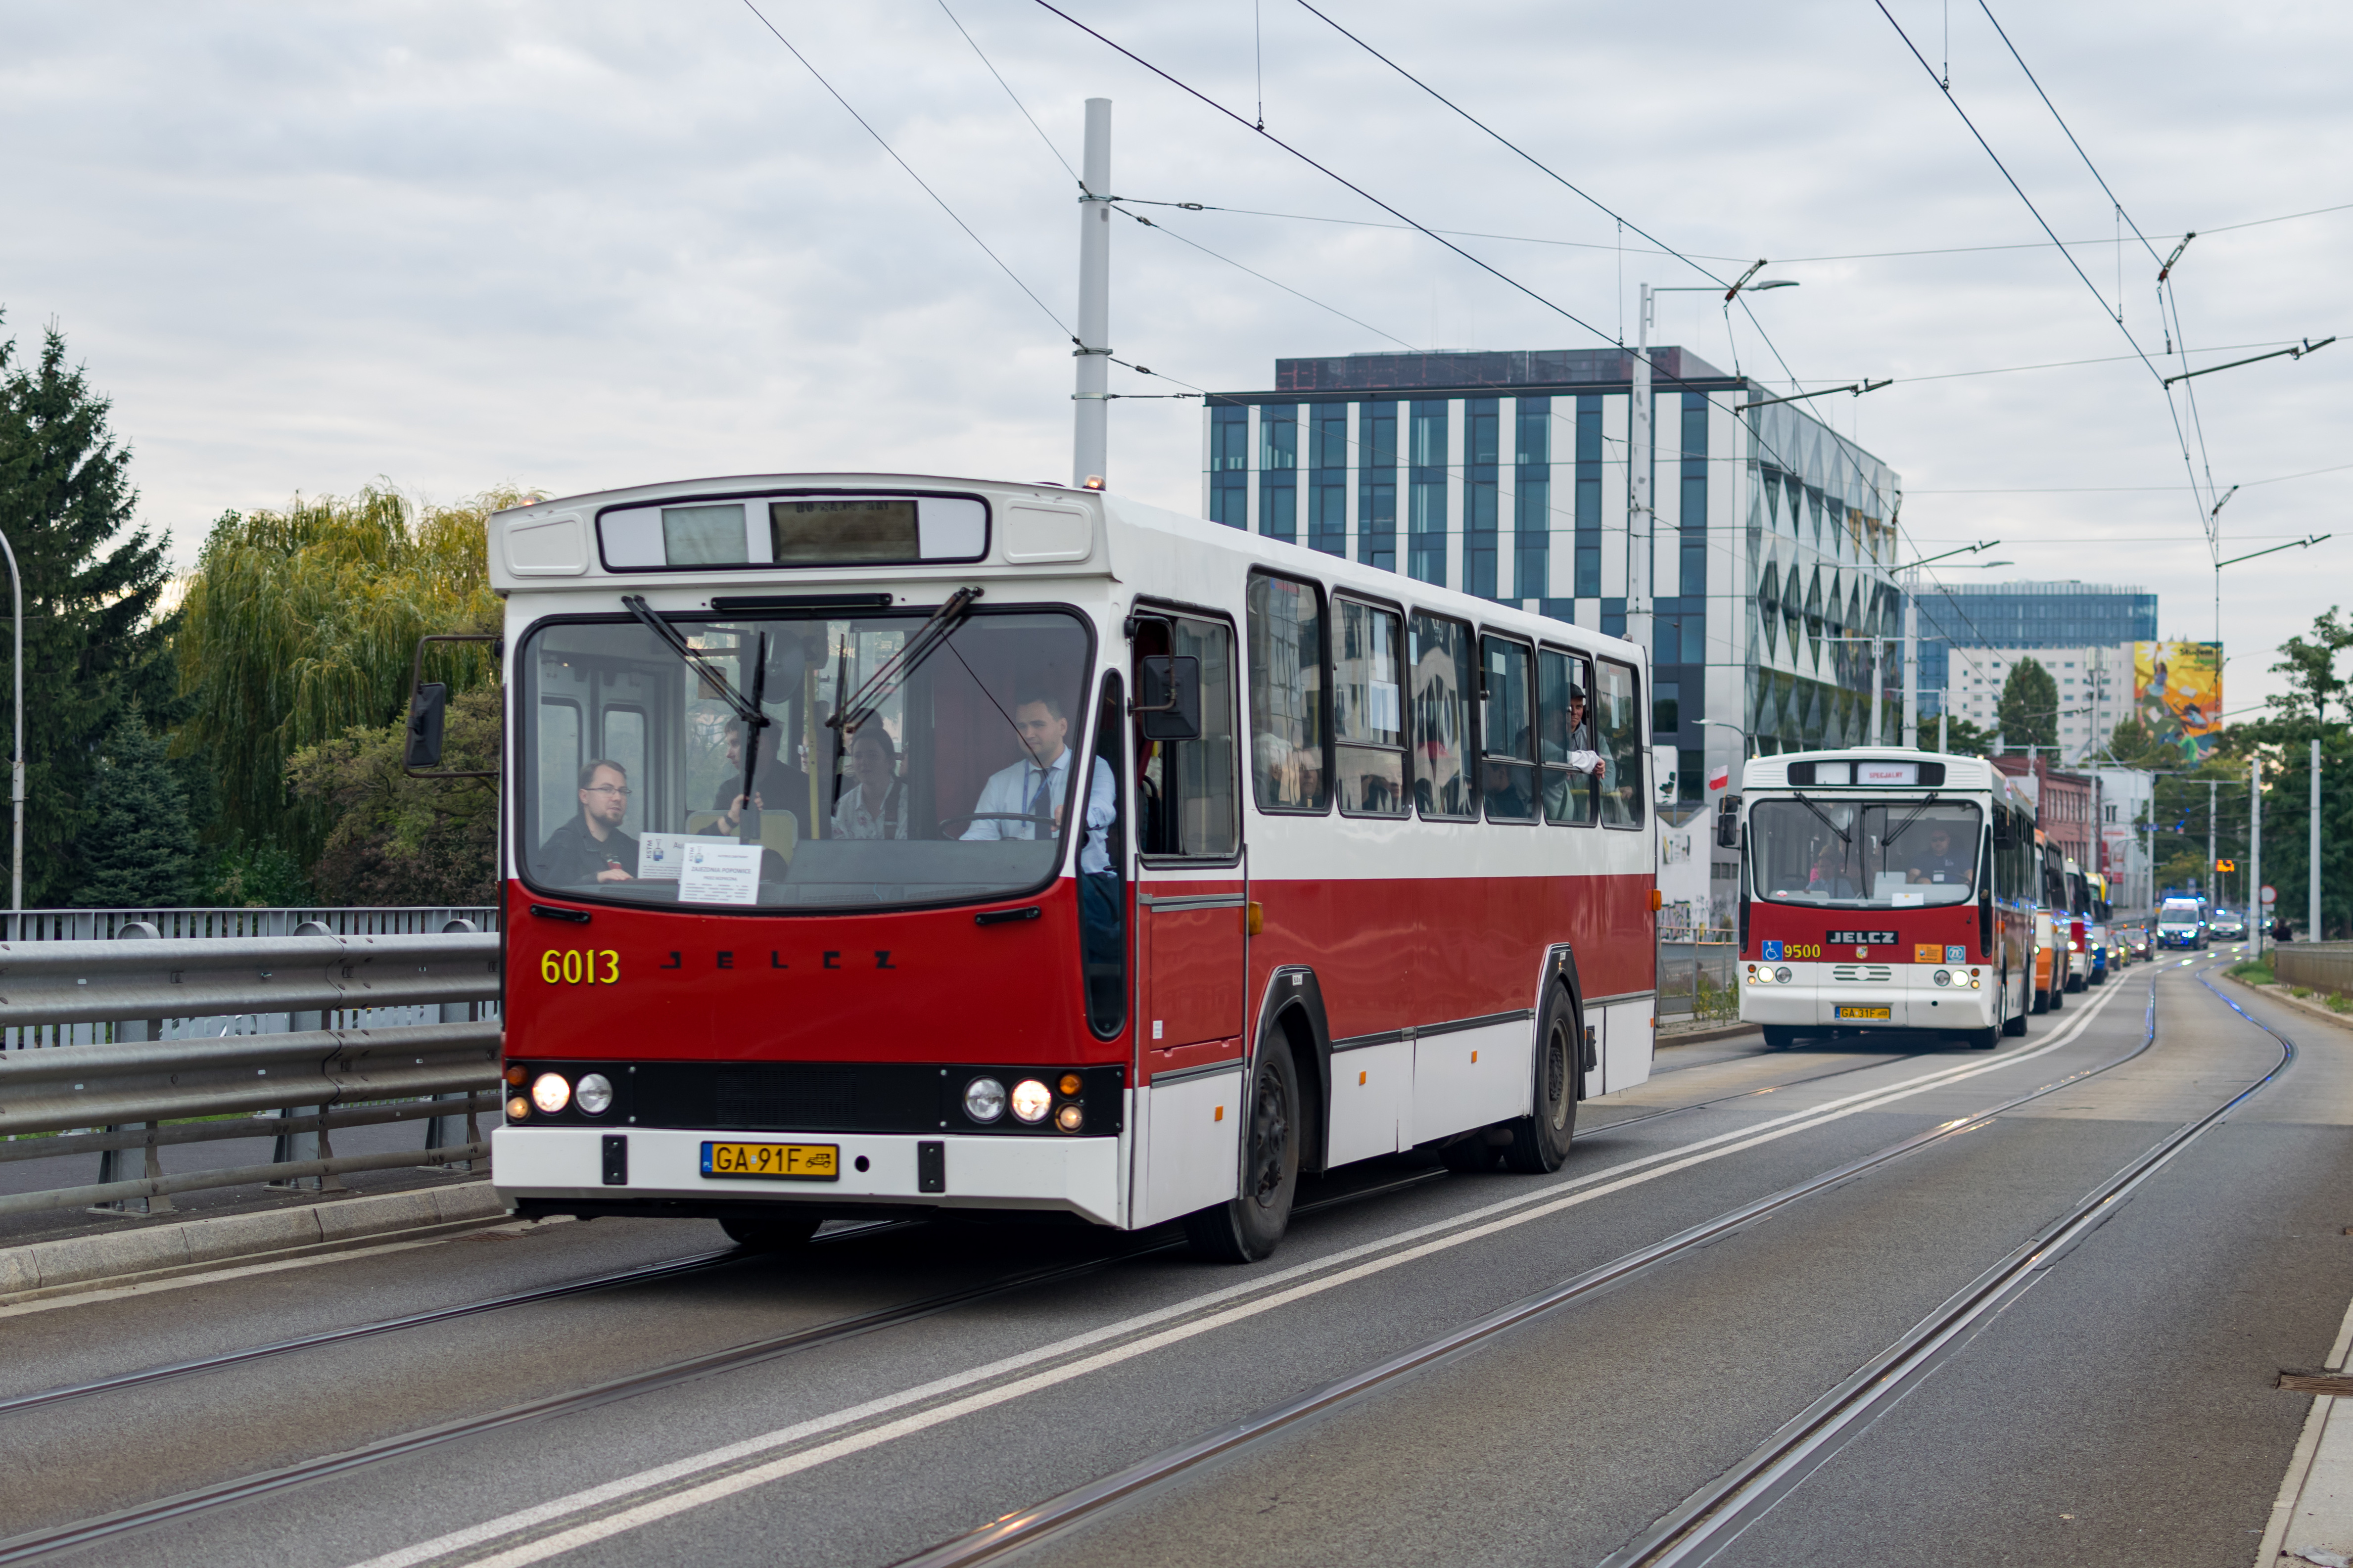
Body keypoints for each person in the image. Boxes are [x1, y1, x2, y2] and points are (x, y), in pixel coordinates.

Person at [965, 693, 1120, 960]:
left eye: (1038, 724)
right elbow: (979, 836)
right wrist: (951, 857)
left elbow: (1104, 808)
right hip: (1018, 886)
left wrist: (1077, 816)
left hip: (1084, 884)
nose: (1029, 733)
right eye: (1022, 727)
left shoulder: (1093, 768)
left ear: (1062, 726)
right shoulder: (1001, 781)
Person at [536, 759, 638, 885]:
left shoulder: (632, 848)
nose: (618, 798)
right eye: (607, 789)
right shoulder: (563, 846)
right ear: (584, 796)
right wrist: (595, 880)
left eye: (622, 791)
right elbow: (550, 898)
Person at [831, 725, 908, 840]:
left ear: (891, 762)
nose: (864, 762)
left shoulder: (909, 800)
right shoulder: (845, 805)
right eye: (858, 756)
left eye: (872, 756)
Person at [1904, 822, 1972, 885]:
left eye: (1942, 839)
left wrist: (1966, 884)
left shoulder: (1960, 855)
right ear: (1930, 841)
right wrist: (1921, 881)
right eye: (1934, 840)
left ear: (1948, 840)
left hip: (1957, 895)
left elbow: (1969, 872)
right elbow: (1912, 875)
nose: (1938, 843)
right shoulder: (1922, 857)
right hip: (1929, 894)